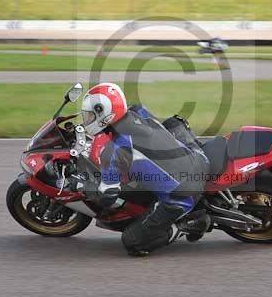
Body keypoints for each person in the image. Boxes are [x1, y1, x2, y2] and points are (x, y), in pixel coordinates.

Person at [80, 82, 211, 256]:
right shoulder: (138, 112)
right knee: (173, 123)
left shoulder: (115, 151)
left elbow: (107, 196)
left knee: (132, 242)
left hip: (182, 194)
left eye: (89, 116)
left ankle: (191, 224)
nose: (87, 120)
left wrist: (85, 187)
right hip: (198, 157)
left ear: (105, 115)